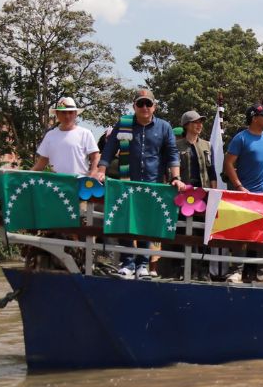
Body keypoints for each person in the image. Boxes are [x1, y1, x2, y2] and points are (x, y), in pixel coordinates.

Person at [96, 89, 184, 280]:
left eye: (148, 104)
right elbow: (109, 150)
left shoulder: (164, 127)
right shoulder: (124, 124)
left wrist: (176, 177)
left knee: (146, 224)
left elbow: (172, 153)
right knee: (126, 222)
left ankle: (143, 264)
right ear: (134, 106)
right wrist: (101, 171)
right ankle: (127, 263)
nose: (144, 107)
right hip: (127, 183)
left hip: (152, 184)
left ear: (155, 106)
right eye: (140, 103)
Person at [222, 103, 263, 284]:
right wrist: (239, 186)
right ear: (254, 118)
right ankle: (236, 272)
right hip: (245, 195)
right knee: (241, 233)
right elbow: (228, 164)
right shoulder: (240, 138)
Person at [34, 97, 100, 176]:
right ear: (57, 114)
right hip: (56, 185)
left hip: (78, 184)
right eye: (63, 113)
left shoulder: (85, 134)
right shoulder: (50, 135)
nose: (67, 116)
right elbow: (42, 162)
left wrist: (92, 174)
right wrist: (24, 176)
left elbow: (96, 157)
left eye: (70, 112)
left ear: (75, 114)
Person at [176, 110, 216, 189]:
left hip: (204, 191)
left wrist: (213, 191)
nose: (199, 125)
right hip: (183, 191)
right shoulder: (176, 146)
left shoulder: (207, 145)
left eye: (200, 122)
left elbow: (211, 170)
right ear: (186, 125)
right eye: (195, 122)